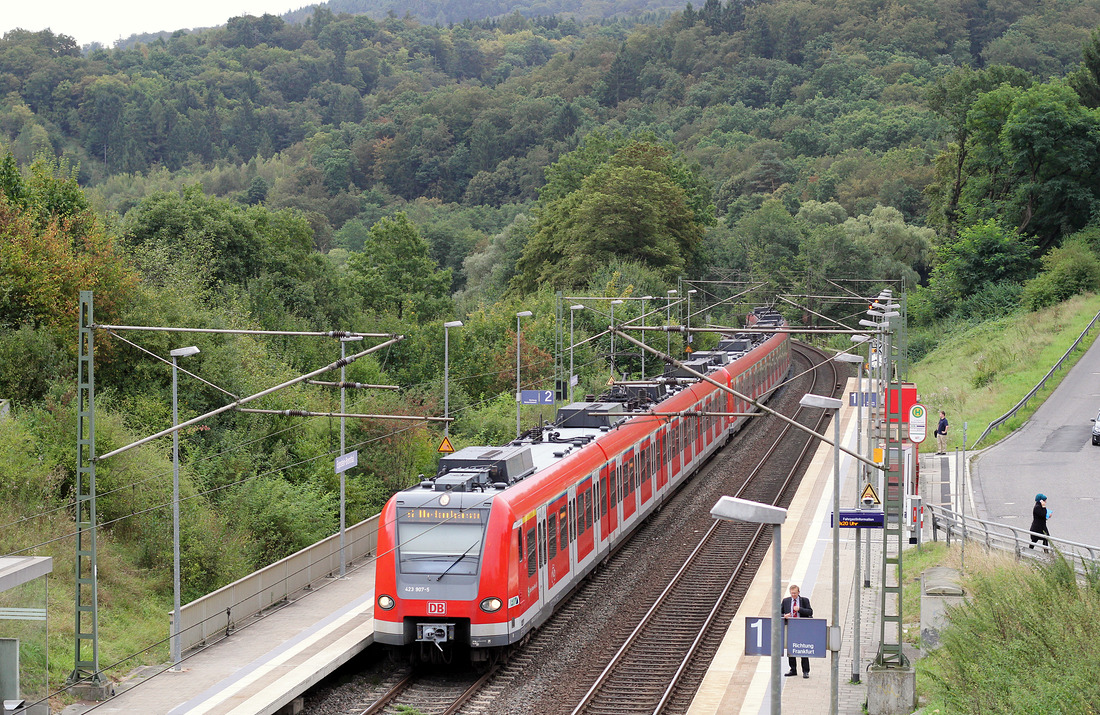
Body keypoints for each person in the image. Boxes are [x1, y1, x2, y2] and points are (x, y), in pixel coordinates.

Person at [781, 584, 813, 678]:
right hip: (791, 627)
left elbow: (810, 612)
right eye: (792, 593)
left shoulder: (804, 600)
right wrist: (784, 616)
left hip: (802, 627)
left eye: (795, 593)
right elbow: (779, 612)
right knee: (791, 649)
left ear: (798, 592)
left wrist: (800, 609)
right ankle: (793, 669)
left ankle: (805, 671)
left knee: (803, 649)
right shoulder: (786, 601)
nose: (793, 595)